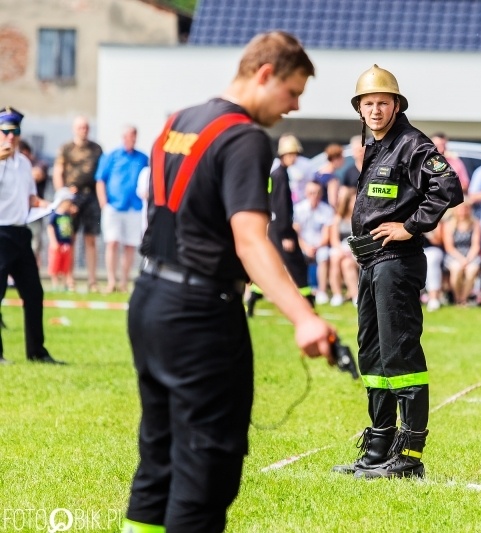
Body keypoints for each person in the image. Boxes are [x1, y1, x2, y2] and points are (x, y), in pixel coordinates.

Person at [122, 32, 335, 533]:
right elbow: (251, 240)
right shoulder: (243, 138)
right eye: (292, 92)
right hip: (199, 312)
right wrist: (304, 317)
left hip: (150, 299)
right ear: (265, 74)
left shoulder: (179, 121)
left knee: (160, 456)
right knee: (205, 472)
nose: (295, 107)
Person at [332, 64, 463, 479]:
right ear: (359, 109)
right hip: (370, 263)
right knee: (371, 354)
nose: (374, 110)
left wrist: (409, 227)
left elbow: (448, 188)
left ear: (396, 105)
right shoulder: (375, 145)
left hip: (396, 264)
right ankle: (377, 447)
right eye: (367, 103)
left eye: (382, 103)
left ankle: (409, 456)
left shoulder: (411, 144)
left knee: (400, 354)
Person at [0, 106, 63, 365]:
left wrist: (52, 205)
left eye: (14, 132)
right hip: (0, 232)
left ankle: (37, 351)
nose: (10, 137)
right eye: (5, 132)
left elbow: (29, 198)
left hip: (20, 231)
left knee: (34, 293)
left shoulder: (24, 163)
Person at [256, 133, 314, 315]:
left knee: (273, 264)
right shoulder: (280, 175)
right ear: (284, 155)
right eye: (292, 154)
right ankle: (308, 302)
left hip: (275, 227)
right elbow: (281, 207)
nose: (295, 157)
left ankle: (253, 295)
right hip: (282, 229)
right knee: (297, 265)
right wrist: (287, 235)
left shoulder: (276, 173)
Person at [95, 125, 149, 293]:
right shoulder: (112, 156)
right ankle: (111, 281)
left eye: (133, 137)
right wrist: (104, 203)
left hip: (135, 207)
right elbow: (100, 180)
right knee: (112, 242)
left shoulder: (143, 158)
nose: (130, 140)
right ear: (123, 137)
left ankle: (124, 281)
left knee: (130, 245)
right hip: (114, 206)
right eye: (128, 136)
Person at [53, 116, 103, 292]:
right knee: (70, 239)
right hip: (71, 198)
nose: (84, 130)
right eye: (81, 127)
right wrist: (63, 197)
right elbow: (58, 172)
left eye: (86, 127)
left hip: (91, 199)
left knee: (90, 239)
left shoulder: (96, 149)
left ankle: (92, 282)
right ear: (75, 129)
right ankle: (69, 279)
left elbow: (100, 176)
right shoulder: (66, 148)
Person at [294, 180, 335, 304]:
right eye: (311, 193)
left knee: (324, 255)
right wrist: (305, 247)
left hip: (319, 245)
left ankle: (321, 291)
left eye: (317, 193)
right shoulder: (298, 209)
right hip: (302, 244)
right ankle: (300, 290)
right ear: (306, 193)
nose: (314, 195)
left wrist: (316, 247)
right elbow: (296, 233)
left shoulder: (327, 210)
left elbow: (326, 234)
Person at [442, 202, 481, 306]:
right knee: (456, 269)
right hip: (454, 254)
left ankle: (464, 299)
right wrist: (461, 259)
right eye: (460, 208)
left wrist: (468, 259)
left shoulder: (475, 223)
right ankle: (457, 298)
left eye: (466, 208)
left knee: (472, 270)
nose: (463, 211)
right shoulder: (449, 224)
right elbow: (449, 247)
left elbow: (476, 245)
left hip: (471, 254)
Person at [18, 139, 49, 266]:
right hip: (17, 213)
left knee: (34, 244)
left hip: (34, 213)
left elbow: (37, 174)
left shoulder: (37, 163)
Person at [328, 187, 359, 307]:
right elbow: (334, 240)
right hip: (341, 249)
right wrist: (342, 251)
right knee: (336, 259)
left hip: (355, 251)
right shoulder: (338, 219)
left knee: (346, 264)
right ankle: (337, 294)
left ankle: (355, 295)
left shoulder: (361, 220)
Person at [47, 188, 78, 291]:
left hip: (66, 244)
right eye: (68, 202)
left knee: (65, 265)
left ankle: (65, 284)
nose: (70, 204)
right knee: (55, 264)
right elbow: (50, 228)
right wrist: (53, 242)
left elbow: (70, 229)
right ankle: (55, 284)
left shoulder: (68, 216)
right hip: (57, 244)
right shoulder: (55, 215)